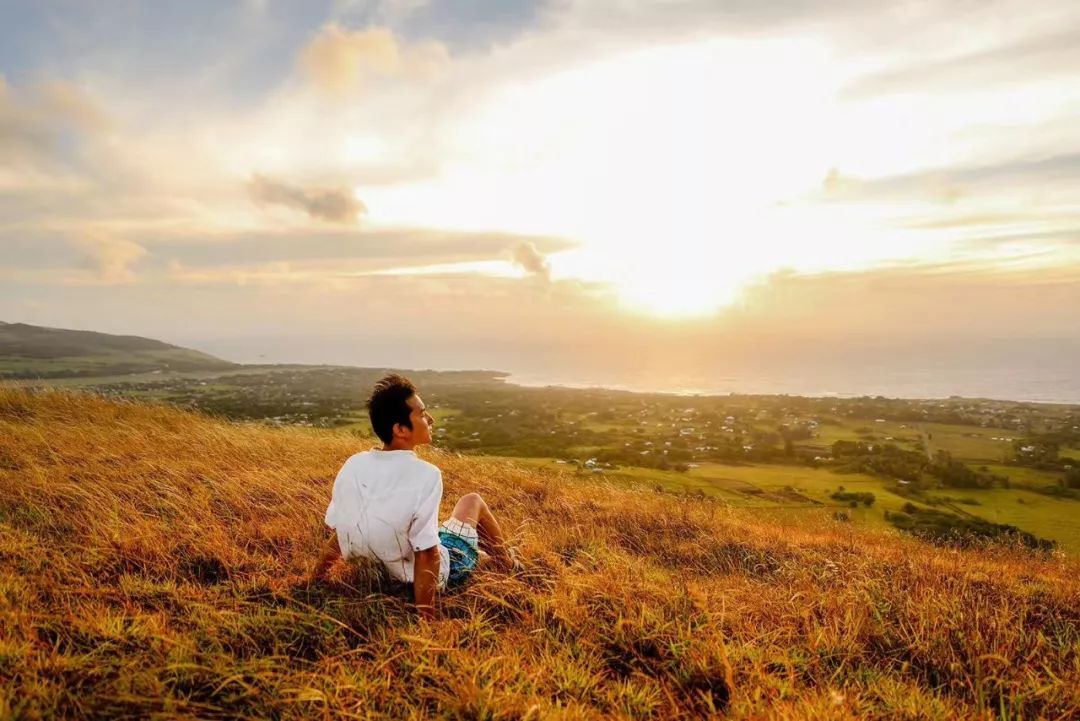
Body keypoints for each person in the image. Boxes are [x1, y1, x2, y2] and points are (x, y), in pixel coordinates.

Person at [311, 373, 520, 619]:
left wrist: (315, 579)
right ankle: (509, 564)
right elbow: (428, 554)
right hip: (433, 573)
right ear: (400, 429)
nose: (430, 419)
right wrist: (426, 618)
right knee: (472, 501)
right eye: (421, 414)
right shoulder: (427, 474)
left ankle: (489, 557)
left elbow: (341, 531)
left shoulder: (354, 464)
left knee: (466, 546)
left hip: (383, 572)